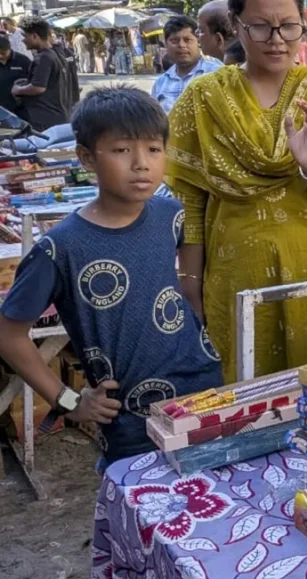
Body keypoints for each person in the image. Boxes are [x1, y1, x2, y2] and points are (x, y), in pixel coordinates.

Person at [0, 87, 223, 466]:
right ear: (86, 157)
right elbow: (8, 333)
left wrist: (196, 310)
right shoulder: (60, 248)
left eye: (154, 149)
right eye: (122, 150)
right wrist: (69, 401)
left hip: (205, 391)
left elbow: (186, 266)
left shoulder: (170, 214)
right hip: (131, 418)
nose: (142, 164)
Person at [166, 0, 307, 382]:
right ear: (235, 25)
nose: (277, 40)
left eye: (289, 26)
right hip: (237, 278)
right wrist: (191, 285)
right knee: (249, 399)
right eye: (261, 27)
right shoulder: (202, 99)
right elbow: (191, 206)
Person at [14, 16, 75, 131]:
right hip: (57, 116)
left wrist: (18, 89)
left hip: (45, 120)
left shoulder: (44, 58)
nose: (23, 40)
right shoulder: (56, 54)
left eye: (24, 36)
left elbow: (38, 88)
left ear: (35, 36)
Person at [152, 16, 224, 114]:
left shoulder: (217, 72)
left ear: (198, 41)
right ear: (166, 44)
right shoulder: (160, 83)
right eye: (174, 41)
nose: (181, 45)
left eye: (187, 40)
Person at [0, 35, 31, 116]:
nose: (0, 56)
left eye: (3, 53)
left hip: (21, 108)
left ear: (9, 49)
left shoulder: (23, 61)